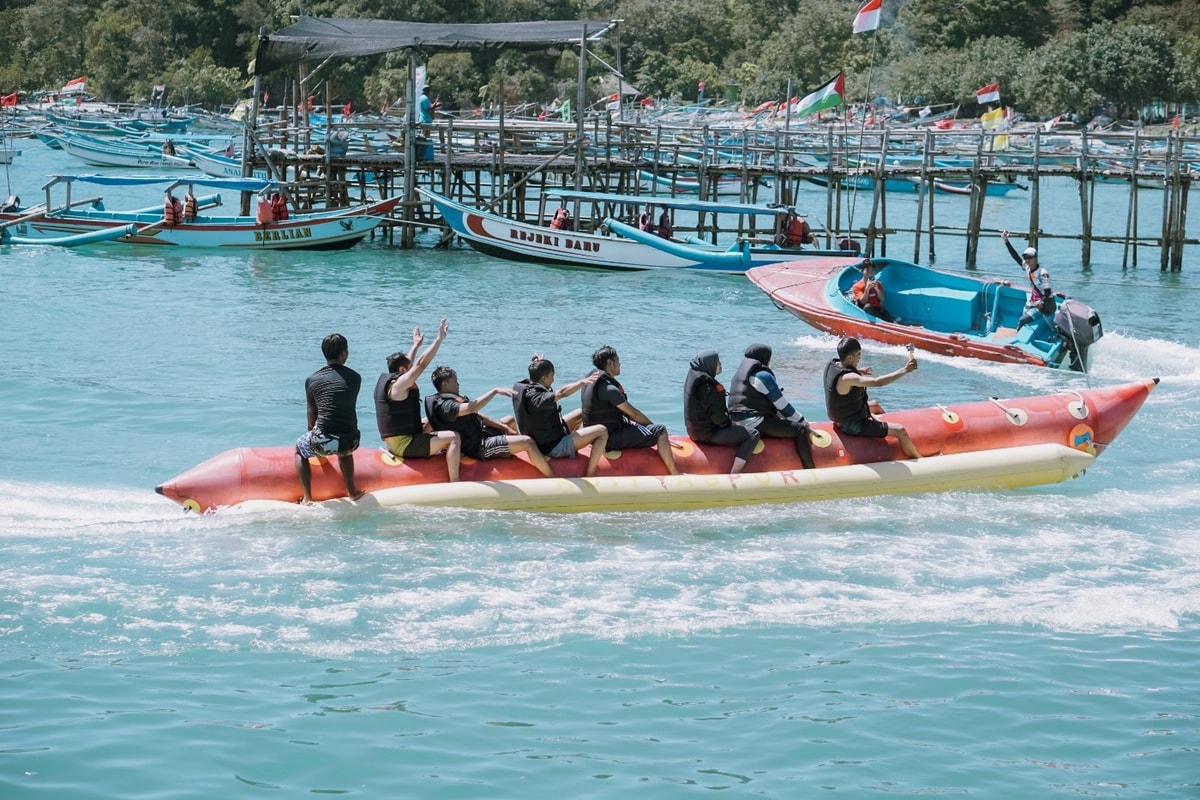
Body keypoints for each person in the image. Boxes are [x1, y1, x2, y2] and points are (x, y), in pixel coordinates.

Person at [425, 365, 554, 477]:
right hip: (479, 447)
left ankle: (517, 450)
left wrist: (506, 429)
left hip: (481, 434)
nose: (458, 384)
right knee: (528, 442)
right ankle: (552, 477)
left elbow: (477, 415)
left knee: (509, 420)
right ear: (445, 385)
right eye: (455, 381)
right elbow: (472, 407)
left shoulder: (451, 400)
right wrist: (494, 391)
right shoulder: (446, 406)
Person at [375, 318, 463, 481]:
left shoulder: (393, 382)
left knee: (432, 419)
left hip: (395, 441)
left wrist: (415, 345)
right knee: (453, 437)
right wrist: (439, 339)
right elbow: (421, 364)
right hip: (404, 445)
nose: (412, 370)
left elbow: (409, 364)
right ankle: (455, 481)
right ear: (402, 370)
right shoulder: (399, 386)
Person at [582, 345, 681, 475]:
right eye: (617, 360)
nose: (620, 363)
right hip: (610, 439)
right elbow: (634, 414)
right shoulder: (609, 389)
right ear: (610, 363)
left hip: (593, 436)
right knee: (660, 431)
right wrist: (652, 425)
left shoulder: (590, 381)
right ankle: (675, 473)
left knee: (636, 425)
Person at [823, 337, 922, 459]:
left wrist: (858, 370)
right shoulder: (848, 378)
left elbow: (845, 373)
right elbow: (877, 382)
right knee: (900, 430)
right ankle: (920, 459)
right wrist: (905, 370)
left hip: (841, 415)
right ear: (849, 357)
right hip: (850, 425)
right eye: (858, 355)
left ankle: (884, 431)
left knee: (875, 404)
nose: (860, 358)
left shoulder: (831, 364)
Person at [512, 355, 609, 477]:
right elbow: (562, 393)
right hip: (552, 447)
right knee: (602, 431)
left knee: (580, 412)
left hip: (543, 435)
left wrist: (538, 363)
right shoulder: (537, 398)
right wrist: (581, 382)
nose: (553, 380)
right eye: (552, 376)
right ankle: (590, 473)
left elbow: (535, 375)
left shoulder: (520, 387)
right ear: (543, 378)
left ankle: (577, 445)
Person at [295, 333, 363, 503]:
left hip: (325, 441)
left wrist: (312, 435)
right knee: (343, 440)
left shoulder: (312, 380)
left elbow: (312, 415)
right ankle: (352, 491)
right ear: (344, 353)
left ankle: (308, 498)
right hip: (351, 441)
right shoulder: (355, 378)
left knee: (299, 448)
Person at [728, 344, 815, 470]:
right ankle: (810, 468)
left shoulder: (740, 375)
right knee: (800, 430)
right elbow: (782, 406)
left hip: (736, 423)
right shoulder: (762, 376)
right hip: (754, 423)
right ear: (765, 358)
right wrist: (802, 421)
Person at [684, 350, 761, 475]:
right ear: (709, 364)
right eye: (718, 362)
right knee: (752, 434)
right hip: (708, 434)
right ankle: (735, 472)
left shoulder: (696, 378)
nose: (720, 365)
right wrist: (732, 425)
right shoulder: (707, 387)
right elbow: (717, 416)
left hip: (694, 431)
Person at [1001, 230, 1056, 329]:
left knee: (1022, 320)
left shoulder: (1042, 273)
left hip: (1046, 304)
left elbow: (1047, 292)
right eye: (1025, 258)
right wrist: (1006, 241)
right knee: (1024, 312)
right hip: (1034, 300)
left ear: (1035, 258)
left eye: (1029, 257)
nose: (1027, 260)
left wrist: (1041, 302)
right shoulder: (1027, 267)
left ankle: (1017, 337)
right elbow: (1016, 257)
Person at [851, 259, 897, 323]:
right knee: (868, 307)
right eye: (867, 271)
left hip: (878, 309)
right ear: (862, 271)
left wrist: (876, 288)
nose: (870, 273)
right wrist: (867, 289)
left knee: (893, 322)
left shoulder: (878, 284)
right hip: (866, 310)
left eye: (872, 271)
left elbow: (882, 299)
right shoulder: (857, 286)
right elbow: (863, 301)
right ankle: (881, 323)